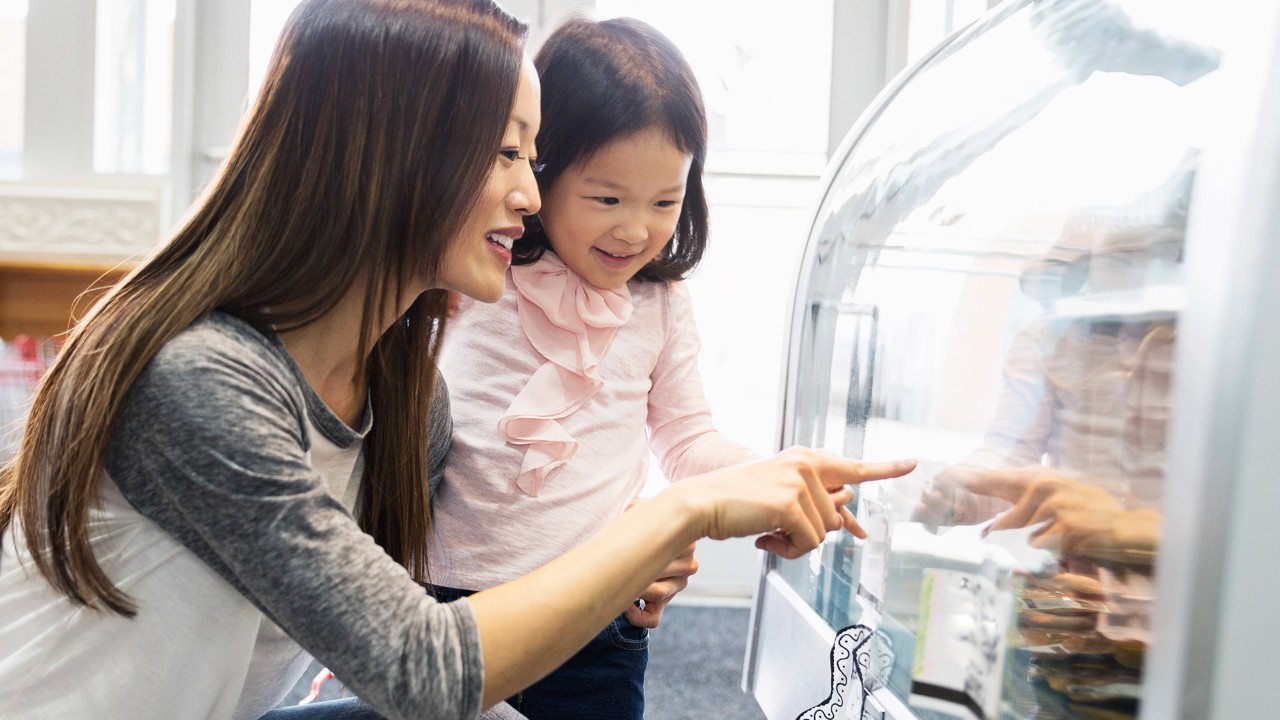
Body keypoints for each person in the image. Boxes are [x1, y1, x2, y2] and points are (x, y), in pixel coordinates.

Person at [0, 2, 915, 720]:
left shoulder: (405, 397)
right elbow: (419, 670)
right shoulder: (201, 382)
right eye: (509, 151)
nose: (529, 189)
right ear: (395, 155)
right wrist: (680, 514)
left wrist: (621, 560)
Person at [429, 17, 755, 718]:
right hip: (449, 607)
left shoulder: (660, 305)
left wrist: (768, 477)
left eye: (665, 201)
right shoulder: (479, 270)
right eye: (607, 198)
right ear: (540, 169)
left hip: (594, 618)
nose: (636, 229)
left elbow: (688, 440)